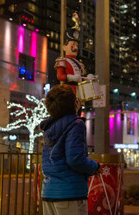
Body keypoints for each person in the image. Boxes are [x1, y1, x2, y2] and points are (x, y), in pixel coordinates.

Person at [40, 84, 100, 215]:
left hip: (49, 193)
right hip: (70, 194)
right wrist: (94, 166)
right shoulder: (75, 124)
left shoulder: (50, 127)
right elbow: (75, 159)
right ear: (74, 103)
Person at [55, 29, 86, 94]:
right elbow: (60, 76)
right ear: (64, 47)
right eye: (73, 45)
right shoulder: (62, 61)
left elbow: (79, 78)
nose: (76, 48)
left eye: (77, 45)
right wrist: (72, 77)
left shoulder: (79, 63)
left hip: (79, 91)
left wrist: (87, 79)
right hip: (68, 90)